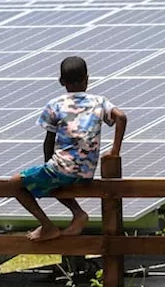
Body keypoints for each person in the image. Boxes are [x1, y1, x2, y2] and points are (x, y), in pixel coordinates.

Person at [10, 55, 127, 242]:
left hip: (62, 168)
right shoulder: (99, 102)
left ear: (61, 82)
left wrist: (48, 163)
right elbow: (121, 117)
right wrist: (115, 151)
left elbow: (49, 140)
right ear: (87, 79)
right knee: (51, 181)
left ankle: (48, 226)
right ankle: (78, 214)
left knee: (15, 184)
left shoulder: (55, 104)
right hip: (87, 172)